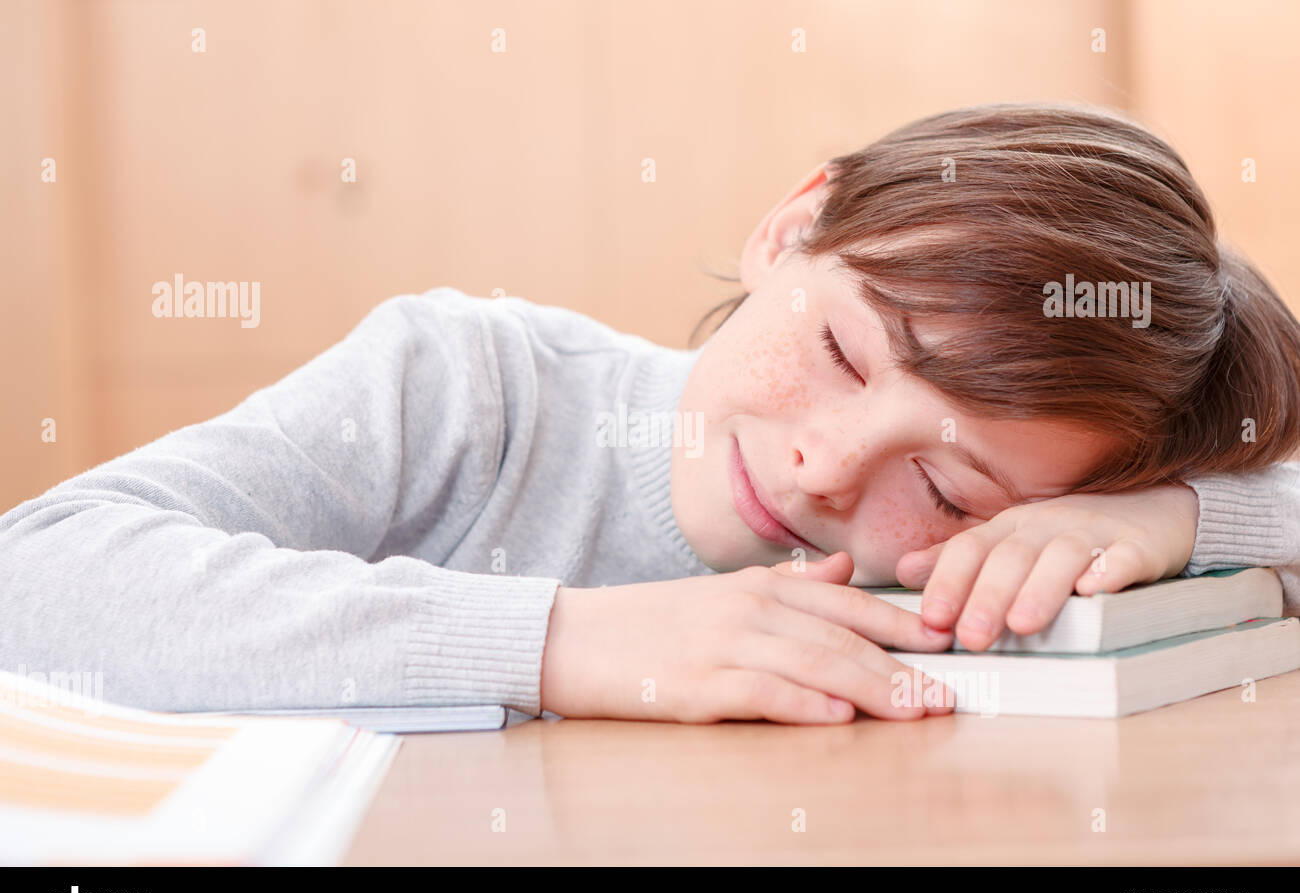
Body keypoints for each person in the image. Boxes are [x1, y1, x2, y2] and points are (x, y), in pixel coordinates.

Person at [4, 102, 1299, 725]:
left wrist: (1178, 518)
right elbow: (37, 580)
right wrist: (564, 642)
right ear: (791, 228)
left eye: (952, 493)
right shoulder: (470, 386)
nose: (823, 467)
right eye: (846, 353)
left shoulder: (992, 566)